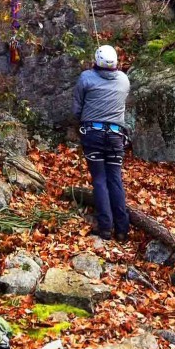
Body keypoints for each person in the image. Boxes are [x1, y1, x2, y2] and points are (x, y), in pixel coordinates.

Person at [72, 44, 130, 241]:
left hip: (93, 134)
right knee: (115, 178)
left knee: (99, 179)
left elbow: (77, 109)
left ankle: (105, 227)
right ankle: (122, 229)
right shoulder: (123, 80)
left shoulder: (86, 78)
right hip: (115, 136)